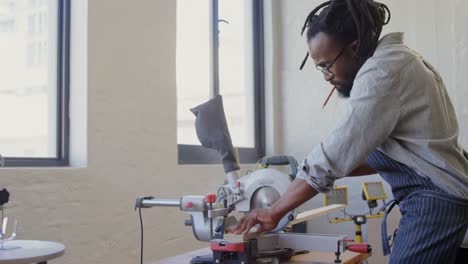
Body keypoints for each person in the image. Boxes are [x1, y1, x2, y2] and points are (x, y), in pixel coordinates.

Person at [233, 0, 468, 263]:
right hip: (442, 196)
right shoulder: (402, 61)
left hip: (435, 201)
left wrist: (274, 211)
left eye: (327, 64)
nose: (325, 75)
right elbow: (385, 155)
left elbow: (334, 152)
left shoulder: (382, 71)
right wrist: (317, 177)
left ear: (353, 48)